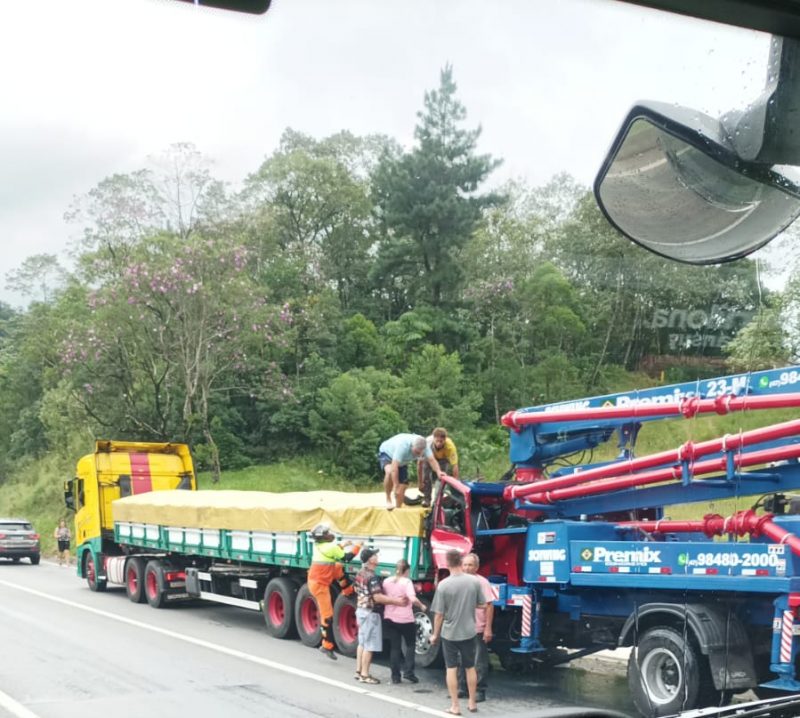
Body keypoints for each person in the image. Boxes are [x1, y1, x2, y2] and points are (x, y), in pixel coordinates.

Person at [430, 549, 486, 715]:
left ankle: (455, 705)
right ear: (461, 563)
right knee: (470, 667)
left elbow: (439, 614)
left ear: (447, 563)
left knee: (451, 669)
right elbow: (482, 604)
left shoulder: (443, 585)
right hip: (469, 631)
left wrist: (435, 634)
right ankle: (472, 702)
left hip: (450, 633)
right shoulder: (474, 582)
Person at [306, 523, 361, 660]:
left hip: (319, 578)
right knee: (328, 616)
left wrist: (343, 544)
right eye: (327, 533)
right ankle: (326, 645)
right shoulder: (329, 547)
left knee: (337, 567)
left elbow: (333, 551)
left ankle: (348, 590)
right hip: (320, 585)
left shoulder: (321, 546)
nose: (330, 534)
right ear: (323, 537)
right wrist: (357, 546)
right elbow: (346, 557)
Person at [354, 547, 408, 684]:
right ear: (371, 560)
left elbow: (356, 589)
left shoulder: (360, 573)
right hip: (370, 613)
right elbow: (377, 597)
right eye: (375, 556)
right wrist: (397, 601)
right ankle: (365, 675)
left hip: (361, 610)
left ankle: (358, 671)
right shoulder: (372, 577)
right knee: (370, 645)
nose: (377, 557)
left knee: (362, 642)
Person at [457, 553, 494, 703]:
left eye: (470, 565)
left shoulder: (482, 583)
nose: (466, 568)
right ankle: (462, 688)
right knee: (461, 659)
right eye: (464, 564)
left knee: (479, 661)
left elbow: (489, 606)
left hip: (477, 628)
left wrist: (488, 628)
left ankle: (479, 691)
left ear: (476, 567)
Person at [382, 558, 427, 684]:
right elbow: (412, 599)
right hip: (405, 619)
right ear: (406, 570)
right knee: (410, 644)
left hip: (389, 617)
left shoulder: (386, 581)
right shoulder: (406, 582)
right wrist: (422, 606)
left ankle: (395, 676)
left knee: (395, 647)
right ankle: (409, 672)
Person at [379, 433, 442, 510]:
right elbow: (394, 468)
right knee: (389, 473)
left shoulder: (425, 447)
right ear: (412, 446)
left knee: (403, 487)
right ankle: (388, 499)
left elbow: (432, 460)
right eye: (416, 452)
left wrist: (439, 471)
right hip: (388, 454)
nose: (418, 455)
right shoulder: (403, 447)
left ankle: (398, 508)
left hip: (402, 461)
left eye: (420, 453)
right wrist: (395, 485)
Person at [419, 427, 459, 507]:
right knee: (426, 477)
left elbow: (455, 466)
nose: (439, 443)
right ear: (433, 438)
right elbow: (420, 463)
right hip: (429, 458)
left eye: (441, 441)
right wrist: (420, 482)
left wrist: (456, 485)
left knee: (441, 479)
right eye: (437, 441)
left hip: (443, 459)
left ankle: (436, 502)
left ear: (445, 439)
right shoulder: (426, 443)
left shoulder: (450, 447)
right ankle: (427, 500)